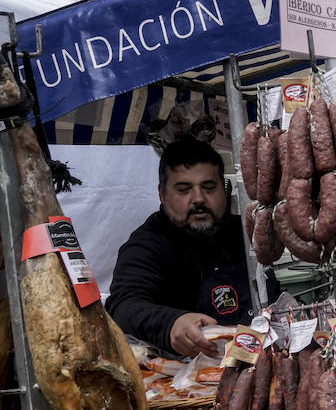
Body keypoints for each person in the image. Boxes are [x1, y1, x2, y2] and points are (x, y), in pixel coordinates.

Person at [107, 139, 279, 357]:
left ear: (224, 189)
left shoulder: (247, 232)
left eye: (209, 187)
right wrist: (171, 323)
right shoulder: (146, 245)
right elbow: (124, 305)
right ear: (162, 194)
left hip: (265, 361)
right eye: (184, 189)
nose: (198, 199)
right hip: (188, 381)